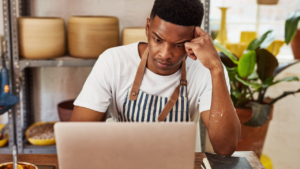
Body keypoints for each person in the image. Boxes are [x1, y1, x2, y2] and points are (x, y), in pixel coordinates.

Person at [71, 0, 241, 156]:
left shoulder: (206, 70)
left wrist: (216, 68)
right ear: (147, 27)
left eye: (179, 45)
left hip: (178, 161)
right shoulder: (113, 61)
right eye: (158, 39)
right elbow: (78, 138)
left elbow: (225, 148)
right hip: (119, 159)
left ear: (194, 39)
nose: (165, 54)